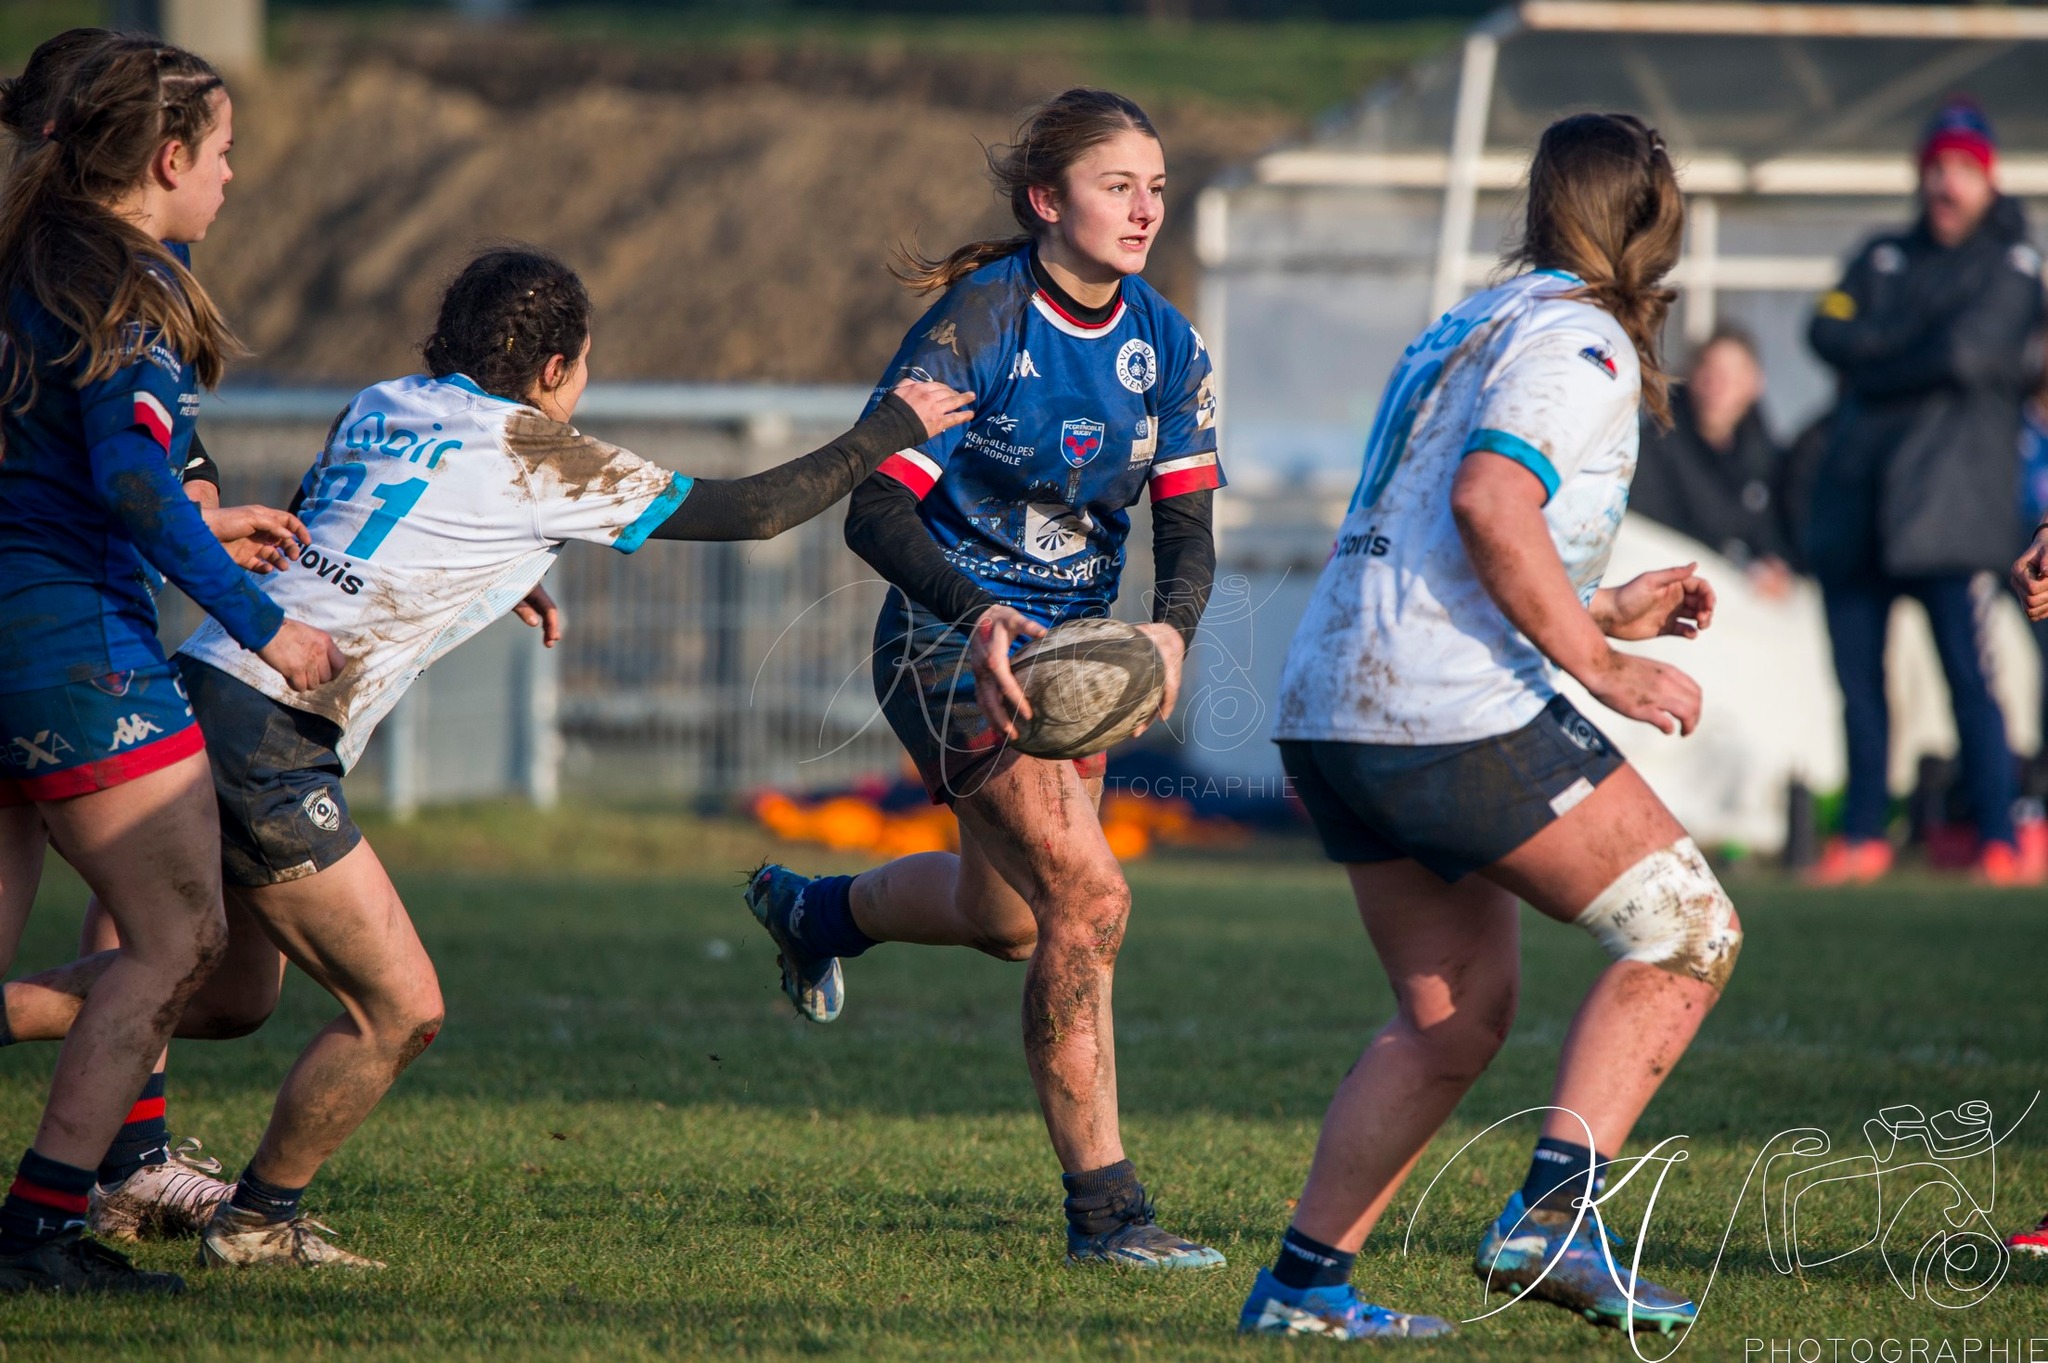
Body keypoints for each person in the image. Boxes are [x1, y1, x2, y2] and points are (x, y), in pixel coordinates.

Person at [6, 245, 972, 1268]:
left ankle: (118, 1127)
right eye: (583, 365)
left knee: (235, 996)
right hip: (271, 736)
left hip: (208, 679)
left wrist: (493, 570)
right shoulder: (537, 453)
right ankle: (258, 1222)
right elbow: (754, 510)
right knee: (401, 1008)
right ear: (554, 369)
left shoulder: (385, 399)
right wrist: (890, 428)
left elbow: (349, 520)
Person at [1240, 112, 1736, 1341]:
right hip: (1438, 708)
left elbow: (1442, 526)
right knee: (1687, 929)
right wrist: (1602, 665)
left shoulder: (1468, 321)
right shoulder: (1579, 342)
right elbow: (1485, 498)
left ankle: (1300, 1290)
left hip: (1334, 705)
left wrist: (1603, 606)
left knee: (1451, 1015)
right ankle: (1554, 1217)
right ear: (1648, 223)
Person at [742, 87, 1226, 1270]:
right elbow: (873, 508)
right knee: (1093, 901)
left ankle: (815, 912)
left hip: (1073, 668)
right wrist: (978, 609)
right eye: (1119, 184)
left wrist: (1169, 633)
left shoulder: (1163, 345)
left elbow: (1189, 530)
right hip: (944, 642)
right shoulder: (979, 326)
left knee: (1010, 919)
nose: (1144, 207)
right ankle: (1107, 1218)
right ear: (1044, 200)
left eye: (1156, 186)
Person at [0, 36, 341, 1294]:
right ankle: (38, 1233)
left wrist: (208, 517)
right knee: (179, 938)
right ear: (166, 158)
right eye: (226, 151)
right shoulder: (128, 286)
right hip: (67, 645)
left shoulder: (23, 256)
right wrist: (265, 625)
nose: (233, 176)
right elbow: (132, 482)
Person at [1804, 98, 2044, 888]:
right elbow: (1824, 329)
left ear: (1987, 178)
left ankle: (2001, 838)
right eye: (1935, 167)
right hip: (1858, 508)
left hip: (1952, 514)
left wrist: (1873, 360)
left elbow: (1971, 354)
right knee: (1859, 687)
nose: (1945, 184)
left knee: (1970, 682)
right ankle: (1865, 835)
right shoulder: (1880, 253)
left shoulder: (2012, 262)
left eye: (1961, 170)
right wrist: (1917, 351)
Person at [1629, 325, 1799, 597]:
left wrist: (1774, 561)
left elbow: (1776, 532)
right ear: (1692, 376)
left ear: (1755, 383)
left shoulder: (1769, 460)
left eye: (1732, 376)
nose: (1718, 387)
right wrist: (1738, 564)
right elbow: (1657, 534)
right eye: (1711, 373)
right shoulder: (1652, 448)